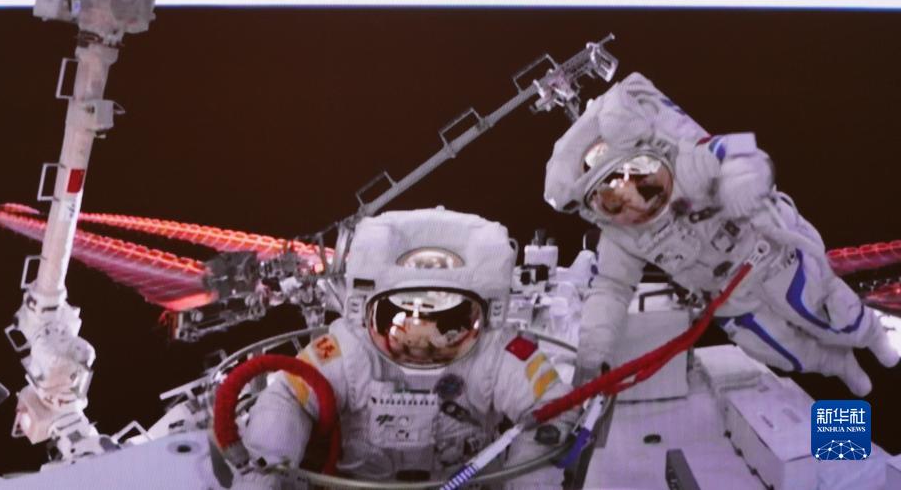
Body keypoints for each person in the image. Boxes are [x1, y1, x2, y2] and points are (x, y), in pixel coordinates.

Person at [543, 73, 899, 395]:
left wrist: (741, 179)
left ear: (653, 157)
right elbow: (610, 290)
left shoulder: (687, 165)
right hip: (729, 300)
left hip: (772, 258)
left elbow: (738, 150)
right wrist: (592, 353)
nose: (635, 203)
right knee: (781, 351)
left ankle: (870, 334)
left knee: (824, 312)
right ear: (598, 211)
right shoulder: (621, 237)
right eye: (614, 201)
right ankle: (837, 365)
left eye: (641, 179)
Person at [235, 208, 571, 488]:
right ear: (366, 310)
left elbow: (551, 404)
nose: (419, 342)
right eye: (404, 319)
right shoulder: (349, 348)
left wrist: (529, 479)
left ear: (482, 314)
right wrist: (265, 473)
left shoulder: (494, 352)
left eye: (441, 323)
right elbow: (288, 396)